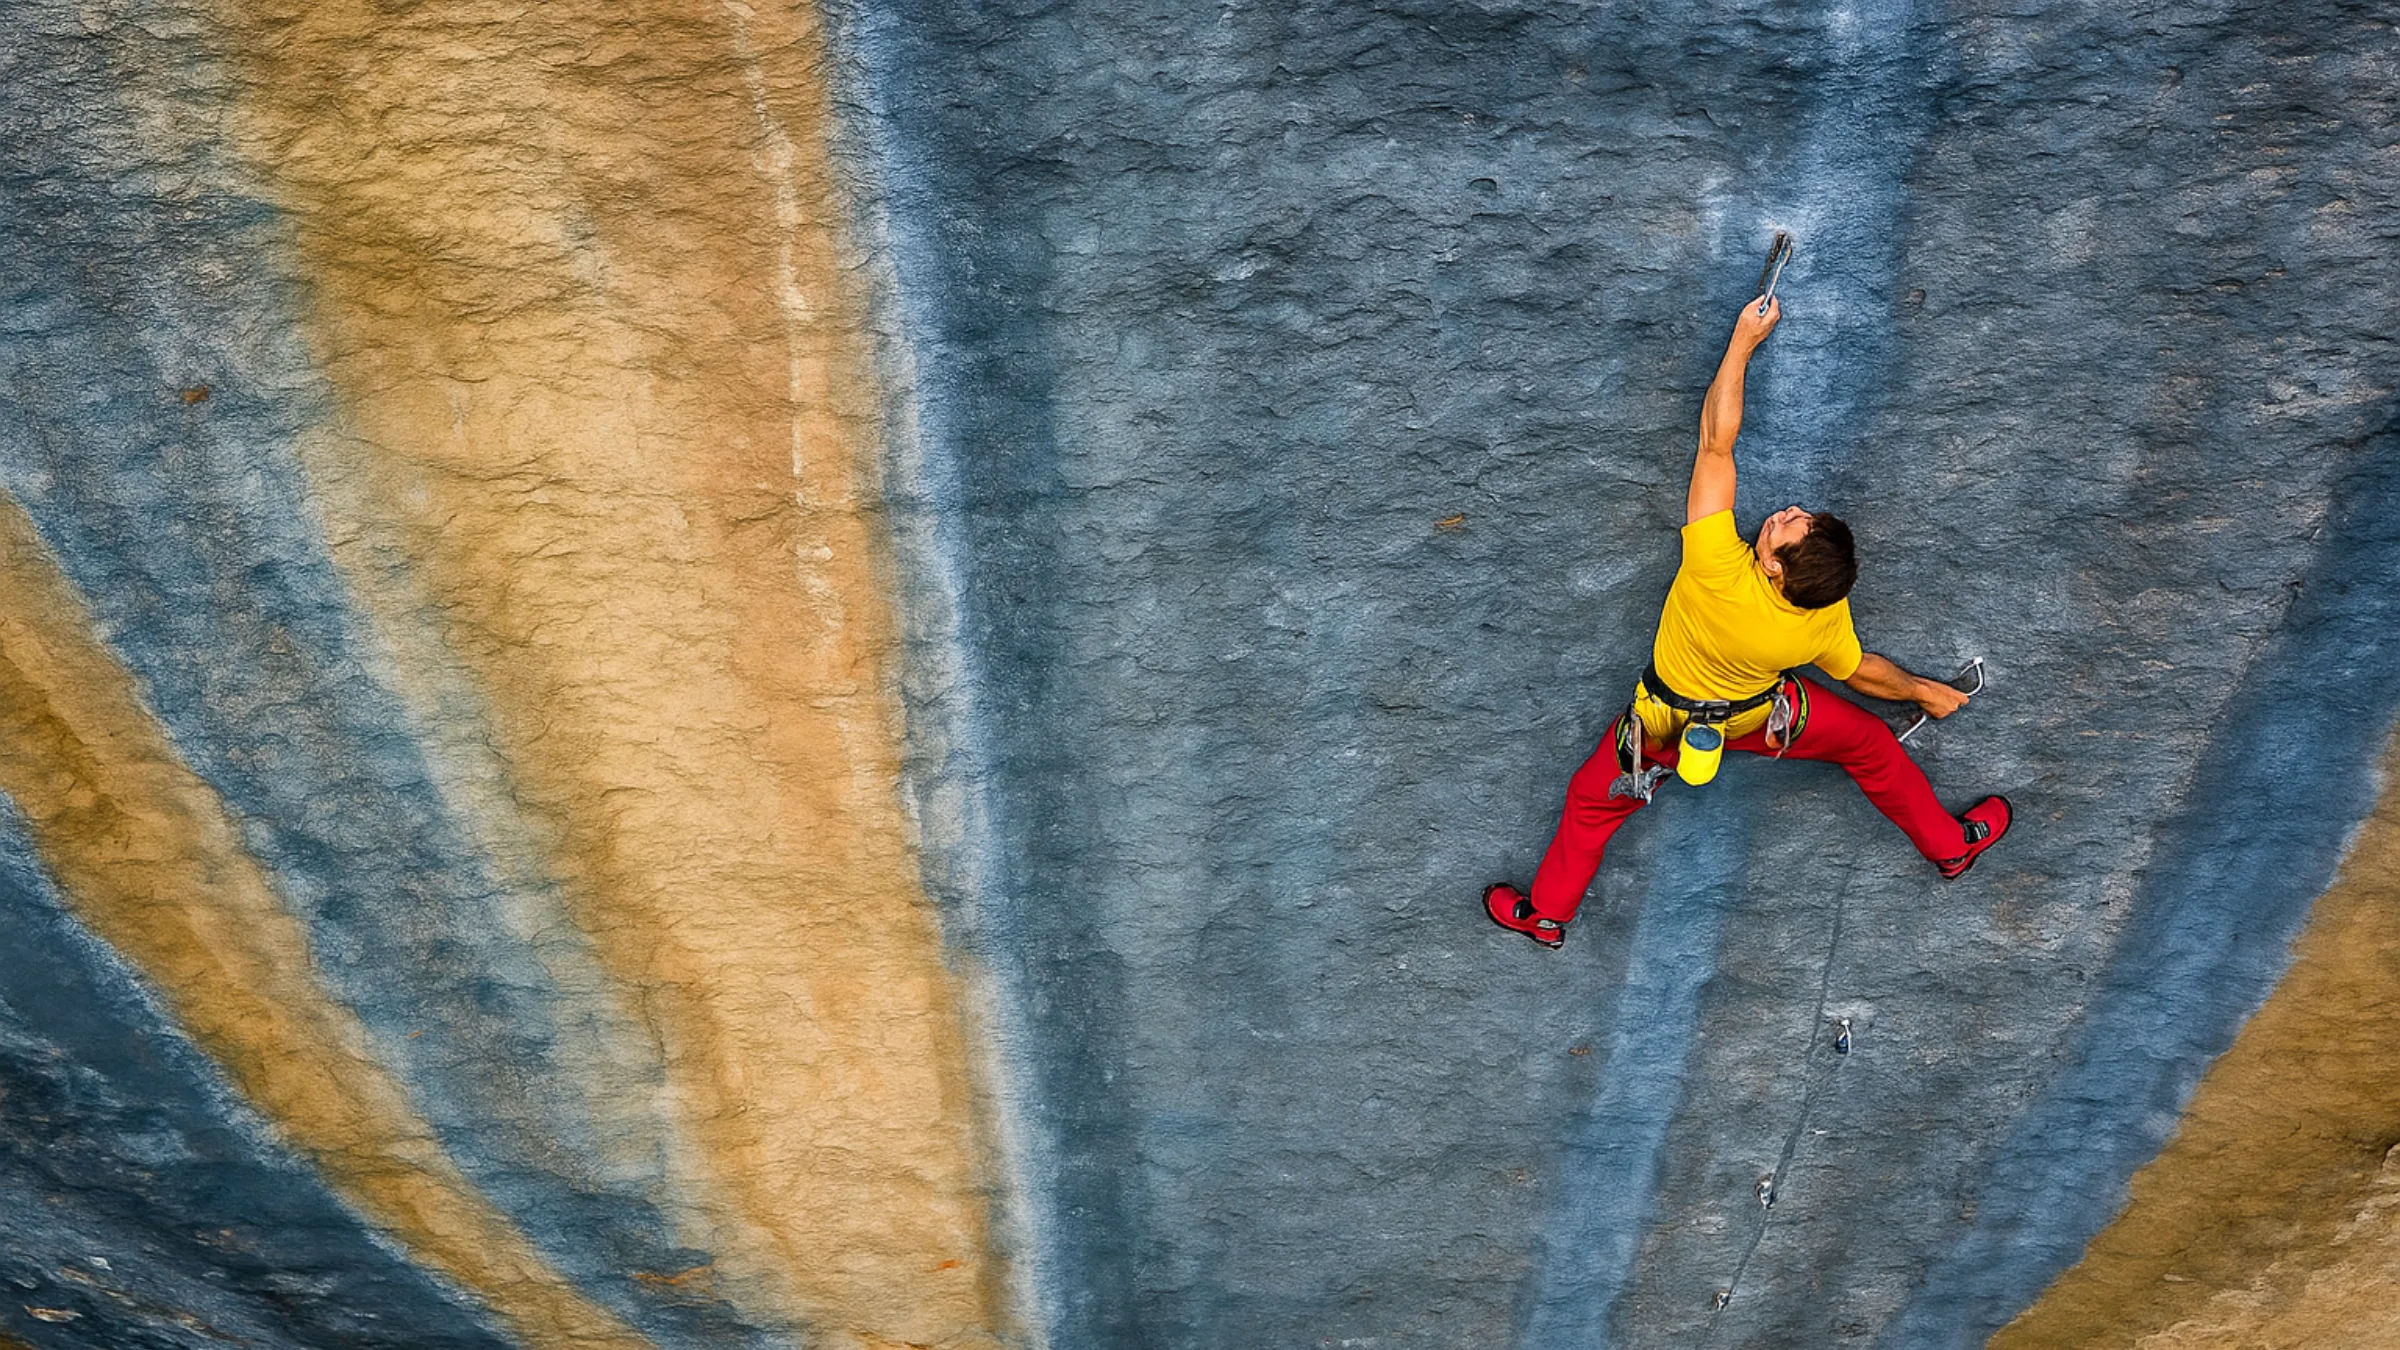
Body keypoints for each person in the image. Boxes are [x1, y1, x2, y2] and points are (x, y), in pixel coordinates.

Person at [1483, 294, 2011, 950]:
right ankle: (1949, 847)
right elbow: (1862, 672)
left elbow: (1716, 441)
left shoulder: (1715, 566)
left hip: (1659, 722)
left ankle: (1548, 915)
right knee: (1870, 745)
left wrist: (1741, 343)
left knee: (1593, 804)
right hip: (1757, 719)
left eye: (1791, 526)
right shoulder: (1819, 615)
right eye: (1802, 516)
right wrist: (1924, 691)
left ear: (1773, 570)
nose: (1788, 511)